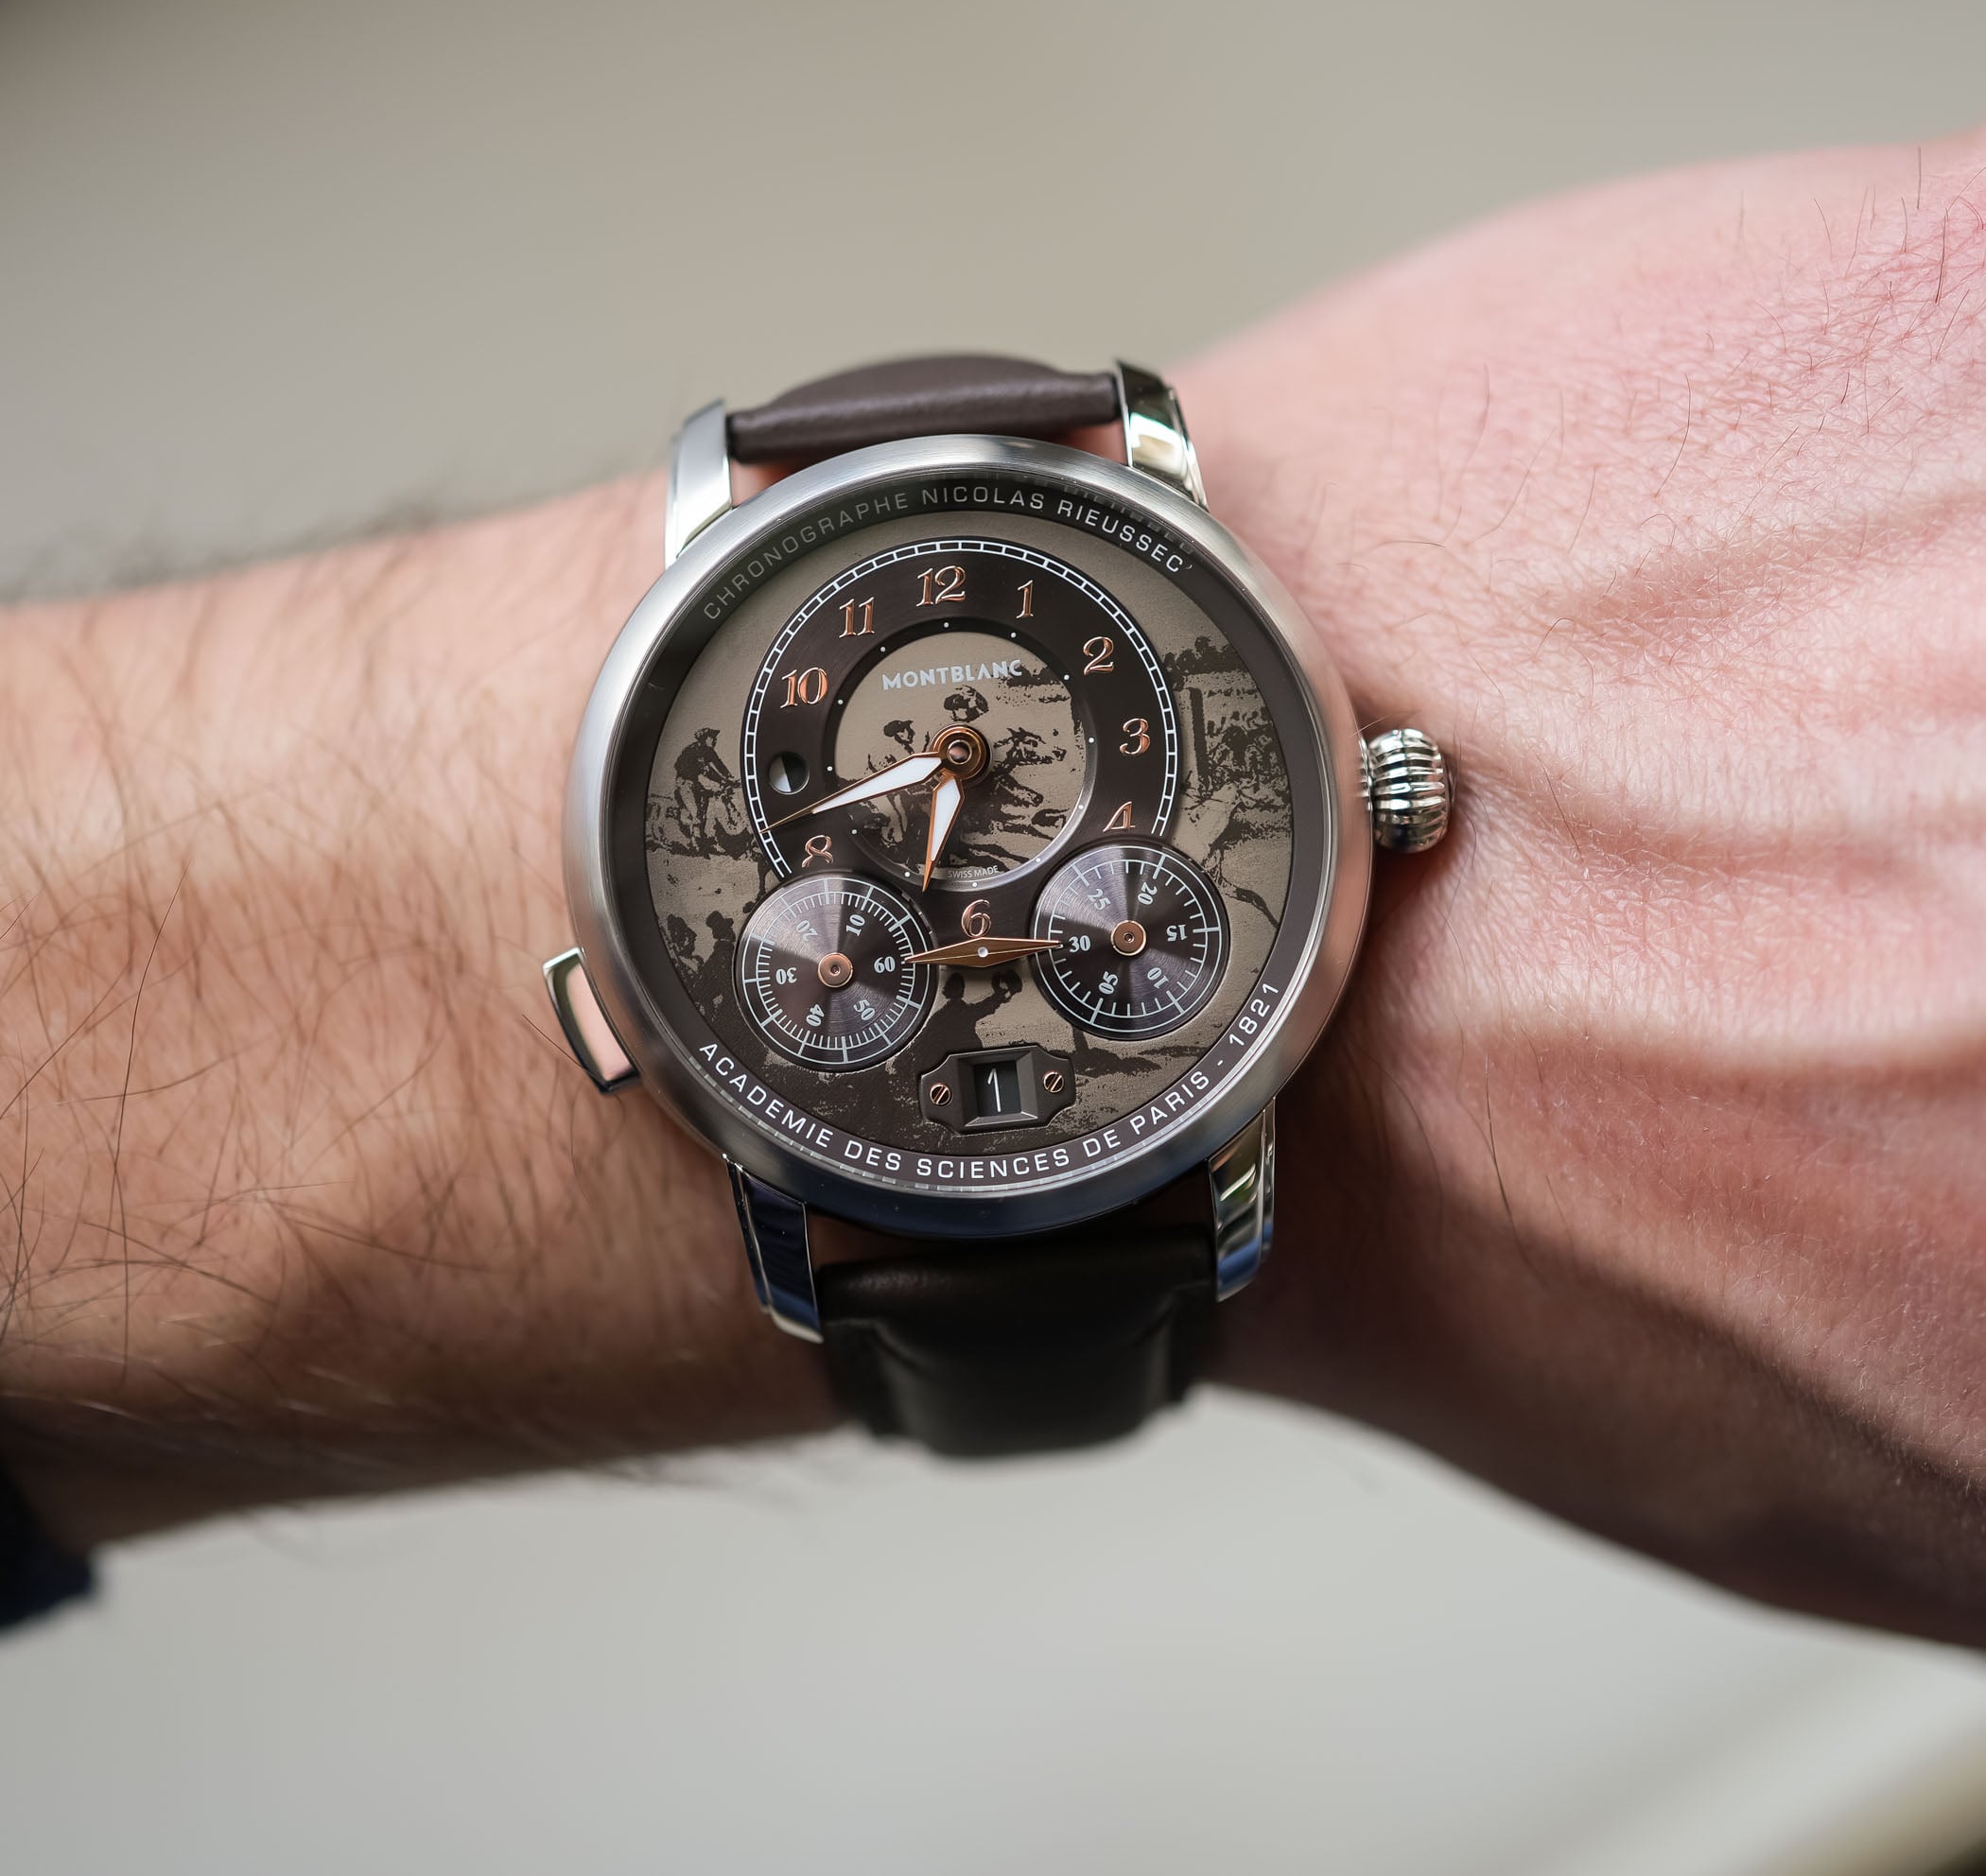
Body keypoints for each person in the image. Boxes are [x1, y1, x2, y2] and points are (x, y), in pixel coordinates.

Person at [3, 128, 1983, 1647]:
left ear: (1379, 796)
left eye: (977, 757)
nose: (951, 770)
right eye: (920, 763)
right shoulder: (784, 727)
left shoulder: (1210, 720)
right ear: (608, 1013)